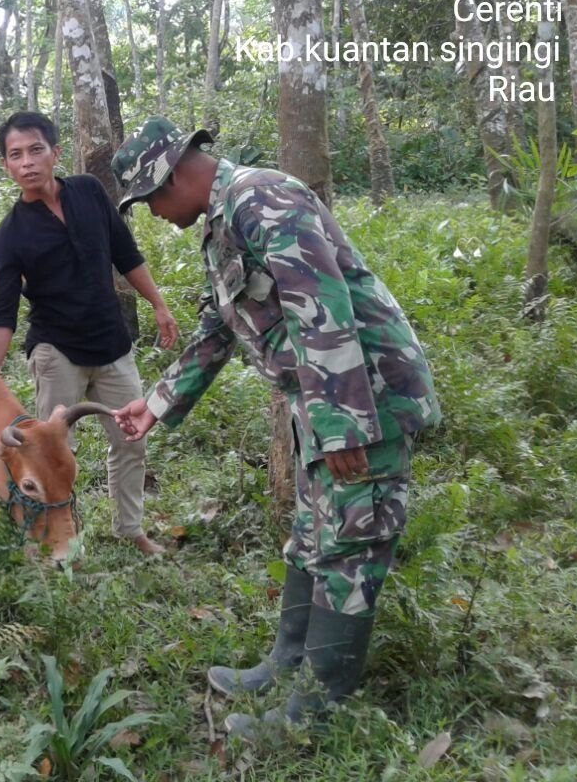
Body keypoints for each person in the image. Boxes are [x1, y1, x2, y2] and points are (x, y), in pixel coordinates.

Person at [110, 116, 441, 736]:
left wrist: (343, 428)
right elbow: (218, 326)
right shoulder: (225, 221)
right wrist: (155, 403)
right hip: (324, 401)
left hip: (363, 401)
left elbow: (323, 310)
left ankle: (315, 714)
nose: (151, 214)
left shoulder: (263, 198)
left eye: (151, 199)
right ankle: (288, 662)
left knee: (349, 546)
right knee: (313, 536)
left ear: (177, 174)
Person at [0, 111, 179, 557]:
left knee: (132, 439)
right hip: (57, 352)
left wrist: (160, 304)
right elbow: (1, 317)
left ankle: (130, 530)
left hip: (112, 346)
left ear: (55, 152)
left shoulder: (89, 192)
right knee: (48, 452)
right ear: (6, 166)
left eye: (35, 150)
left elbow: (125, 253)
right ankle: (52, 536)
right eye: (16, 155)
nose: (28, 162)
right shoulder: (11, 234)